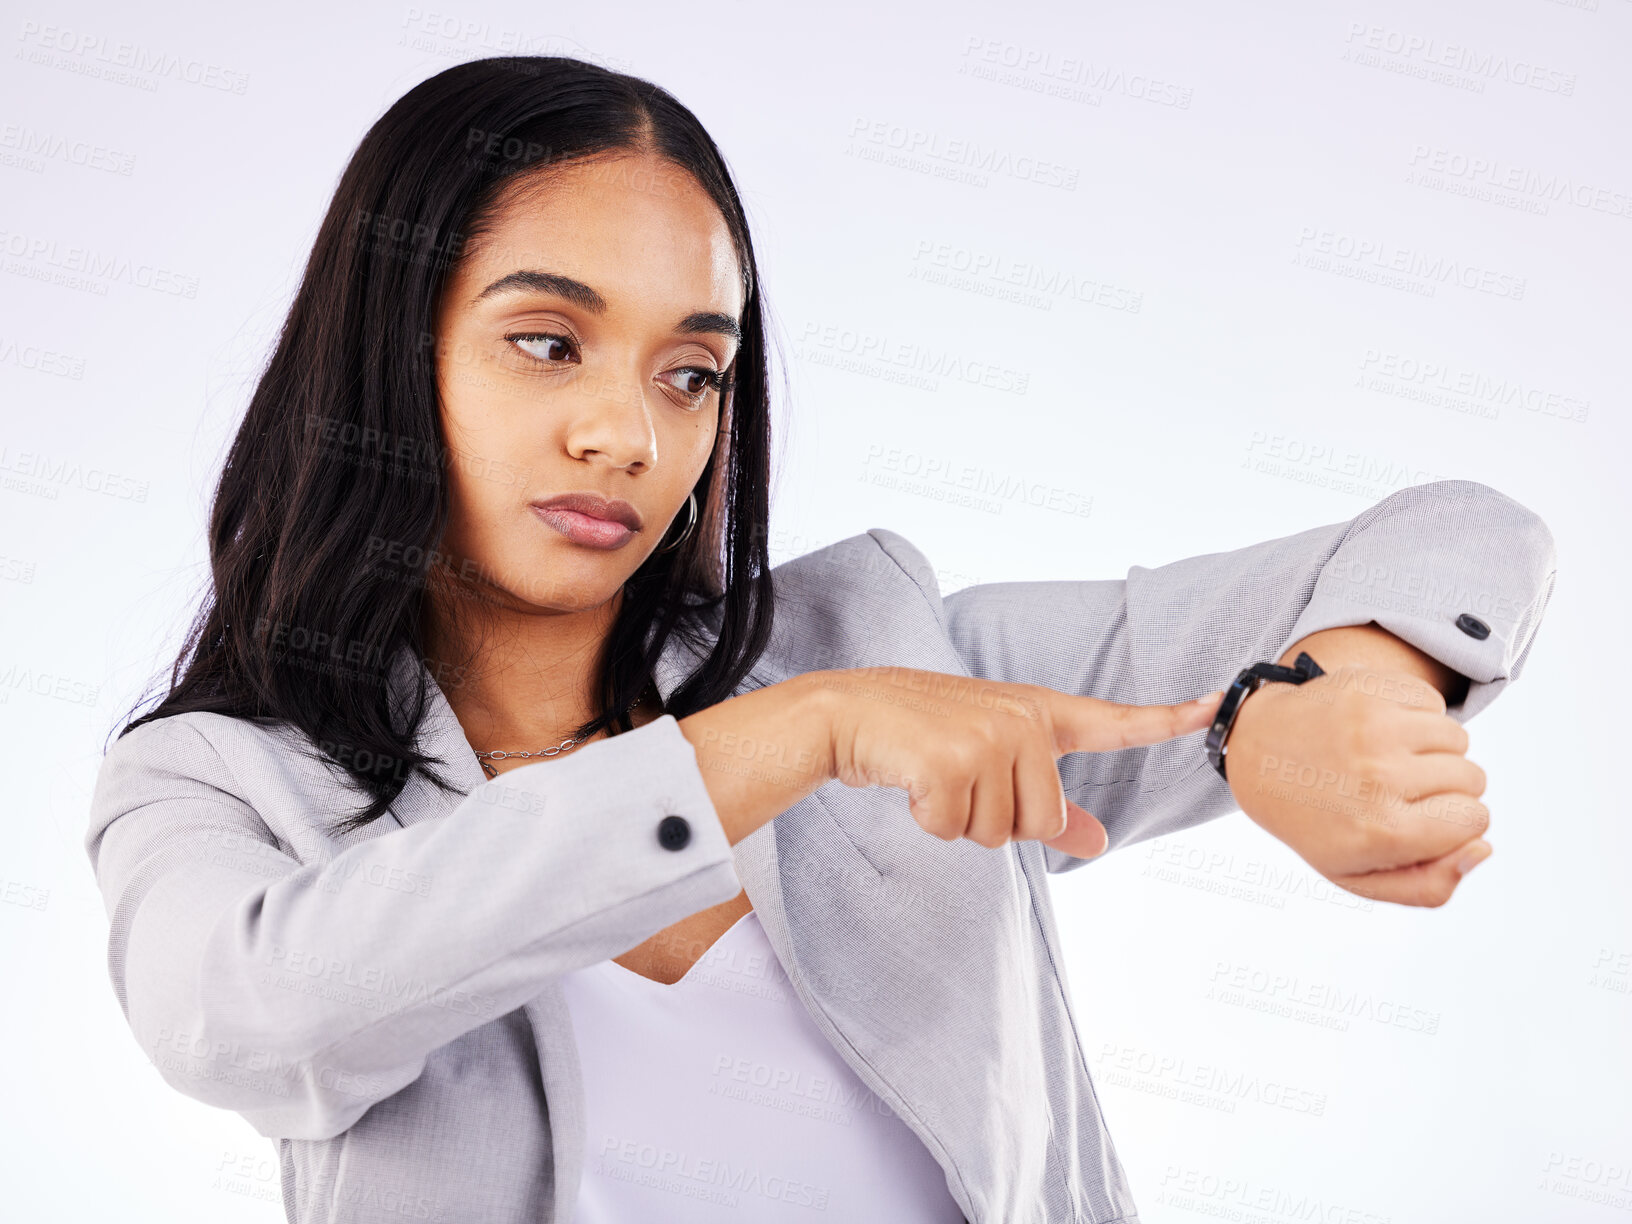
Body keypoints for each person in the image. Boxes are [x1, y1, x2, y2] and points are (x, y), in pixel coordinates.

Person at [85, 55, 1557, 1224]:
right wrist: (791, 734)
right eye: (548, 342)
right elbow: (252, 1025)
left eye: (692, 373)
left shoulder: (899, 652)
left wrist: (1334, 686)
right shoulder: (220, 782)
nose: (625, 434)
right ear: (388, 347)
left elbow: (1458, 532)